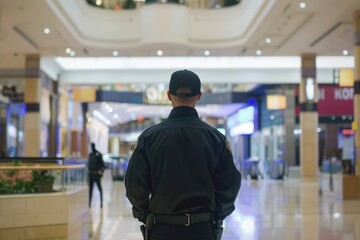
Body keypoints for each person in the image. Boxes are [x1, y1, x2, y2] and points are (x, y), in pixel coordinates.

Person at [125, 69, 241, 240]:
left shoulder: (149, 138)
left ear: (169, 95)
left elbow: (134, 186)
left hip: (161, 229)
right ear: (199, 96)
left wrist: (145, 215)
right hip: (202, 230)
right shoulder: (215, 138)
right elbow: (230, 185)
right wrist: (217, 215)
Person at [88, 142, 105, 208]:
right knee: (90, 189)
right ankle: (89, 203)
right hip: (91, 174)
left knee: (100, 189)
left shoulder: (98, 154)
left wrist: (101, 173)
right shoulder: (91, 155)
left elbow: (103, 165)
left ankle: (101, 203)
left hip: (96, 174)